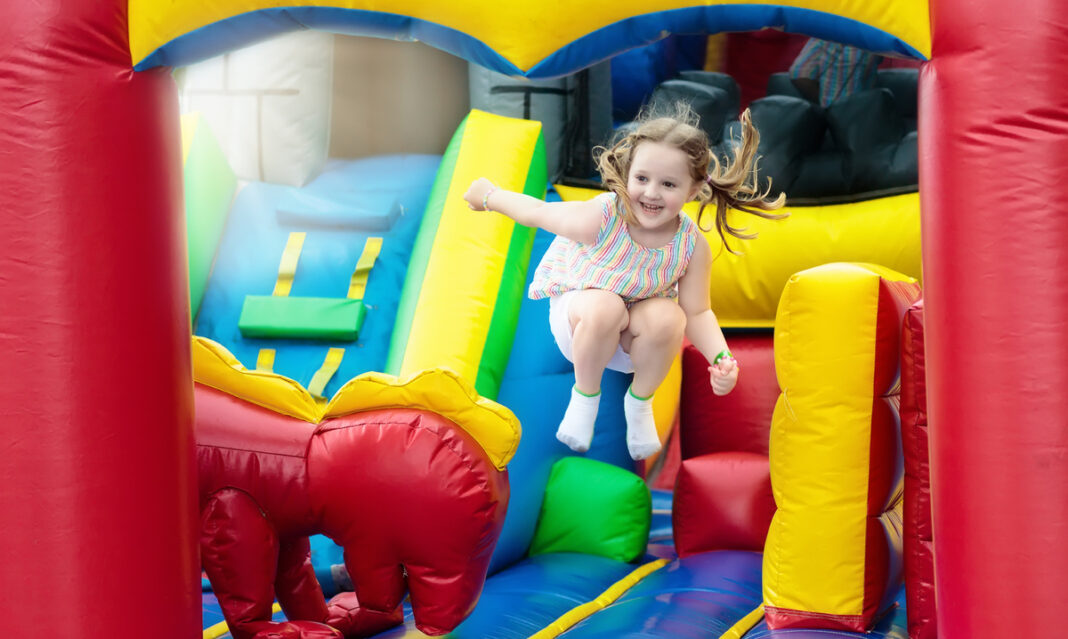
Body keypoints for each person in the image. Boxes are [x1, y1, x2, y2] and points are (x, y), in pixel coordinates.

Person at [463, 106, 785, 460]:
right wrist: (490, 197)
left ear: (694, 190)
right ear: (627, 174)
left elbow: (698, 312)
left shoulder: (692, 245)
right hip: (582, 320)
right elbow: (538, 213)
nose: (651, 193)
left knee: (670, 316)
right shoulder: (602, 216)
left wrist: (721, 357)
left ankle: (640, 401)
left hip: (634, 342)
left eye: (669, 184)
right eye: (642, 179)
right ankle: (584, 398)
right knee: (606, 306)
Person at [788, 38, 882, 107]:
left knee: (842, 98)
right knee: (800, 73)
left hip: (859, 25)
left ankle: (834, 114)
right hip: (836, 20)